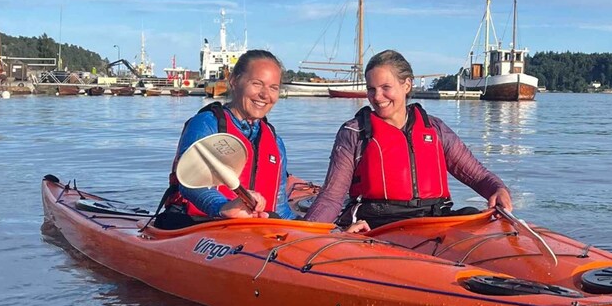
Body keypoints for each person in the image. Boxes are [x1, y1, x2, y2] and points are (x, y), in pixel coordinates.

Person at [303, 49, 512, 232]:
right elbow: (332, 197)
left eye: (386, 87)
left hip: (434, 221)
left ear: (407, 85)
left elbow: (476, 175)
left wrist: (497, 189)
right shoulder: (354, 132)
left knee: (471, 213)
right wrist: (308, 236)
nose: (377, 96)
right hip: (378, 226)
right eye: (371, 89)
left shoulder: (435, 129)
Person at [157, 49, 296, 228]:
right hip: (197, 225)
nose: (265, 94)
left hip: (254, 231)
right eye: (257, 84)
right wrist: (222, 207)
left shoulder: (276, 143)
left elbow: (281, 208)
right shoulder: (207, 124)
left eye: (273, 87)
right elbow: (189, 183)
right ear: (234, 81)